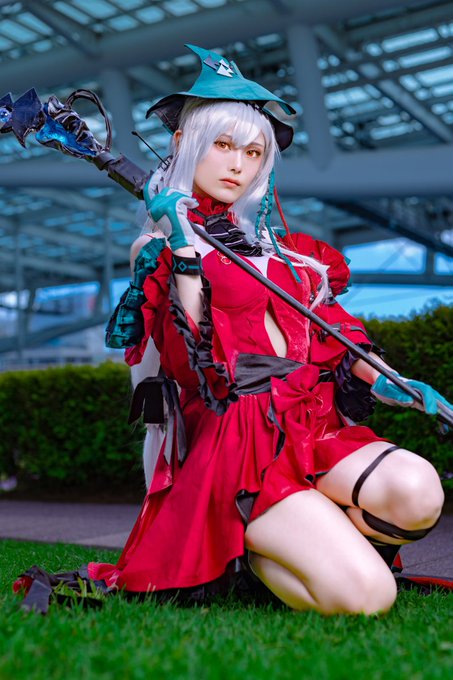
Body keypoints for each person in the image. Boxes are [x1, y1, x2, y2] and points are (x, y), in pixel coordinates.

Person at [17, 45, 450, 615]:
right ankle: (250, 541)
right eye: (222, 145)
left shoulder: (290, 255)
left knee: (418, 492)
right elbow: (190, 353)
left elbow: (334, 338)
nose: (237, 165)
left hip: (309, 423)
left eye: (253, 151)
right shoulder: (161, 247)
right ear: (185, 145)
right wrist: (182, 246)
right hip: (240, 442)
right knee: (369, 597)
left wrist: (394, 382)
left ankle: (296, 536)